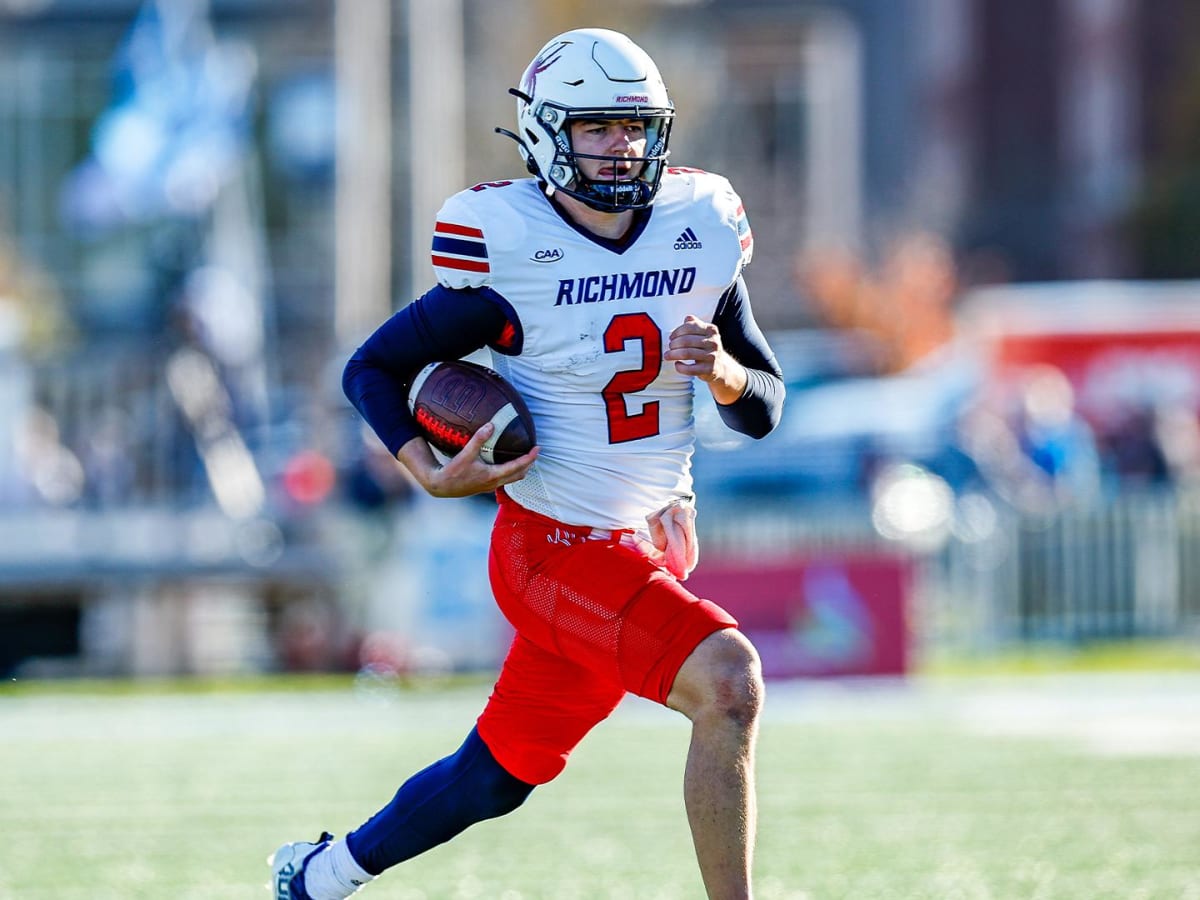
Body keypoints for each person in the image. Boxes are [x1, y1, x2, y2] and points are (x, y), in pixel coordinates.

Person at [271, 27, 784, 900]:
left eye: (635, 128)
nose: (621, 148)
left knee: (496, 775)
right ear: (549, 132)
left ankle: (320, 876)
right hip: (552, 548)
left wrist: (725, 371)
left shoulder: (699, 226)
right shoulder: (507, 243)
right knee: (729, 683)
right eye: (598, 128)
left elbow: (764, 406)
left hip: (643, 546)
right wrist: (428, 471)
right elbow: (372, 368)